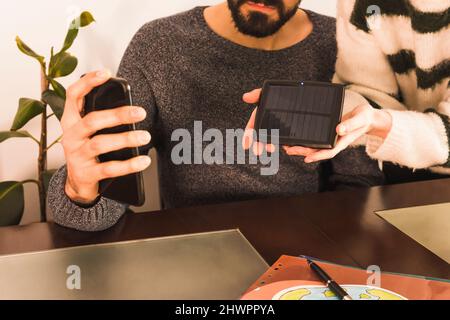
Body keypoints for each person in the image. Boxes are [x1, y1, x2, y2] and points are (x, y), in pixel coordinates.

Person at [47, 0, 384, 232]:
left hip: (304, 262)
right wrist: (80, 188)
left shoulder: (341, 45)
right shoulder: (160, 45)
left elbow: (358, 189)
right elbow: (108, 199)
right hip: (192, 257)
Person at [244, 0, 450, 180]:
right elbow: (371, 94)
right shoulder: (365, 5)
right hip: (405, 174)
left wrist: (378, 122)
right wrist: (319, 112)